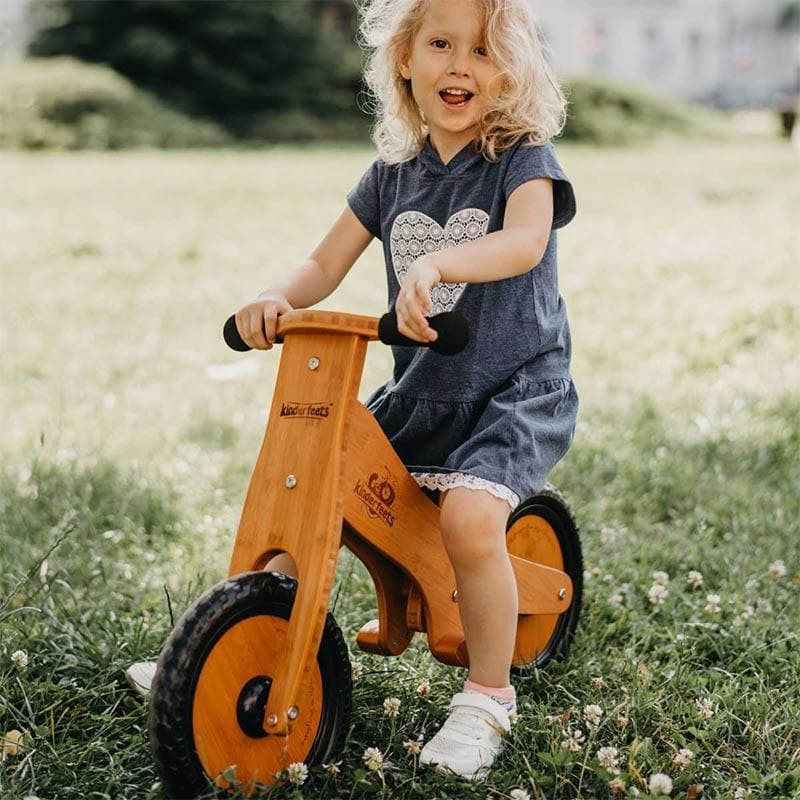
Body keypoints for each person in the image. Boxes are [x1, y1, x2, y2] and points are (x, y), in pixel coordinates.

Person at [128, 0, 578, 782]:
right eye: (441, 44)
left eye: (484, 51)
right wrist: (276, 298)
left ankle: (488, 697)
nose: (460, 66)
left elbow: (524, 242)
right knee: (314, 491)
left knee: (472, 523)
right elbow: (321, 267)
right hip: (421, 390)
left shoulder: (521, 159)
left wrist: (440, 264)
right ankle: (243, 635)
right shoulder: (390, 177)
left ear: (513, 70)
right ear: (404, 59)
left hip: (512, 389)